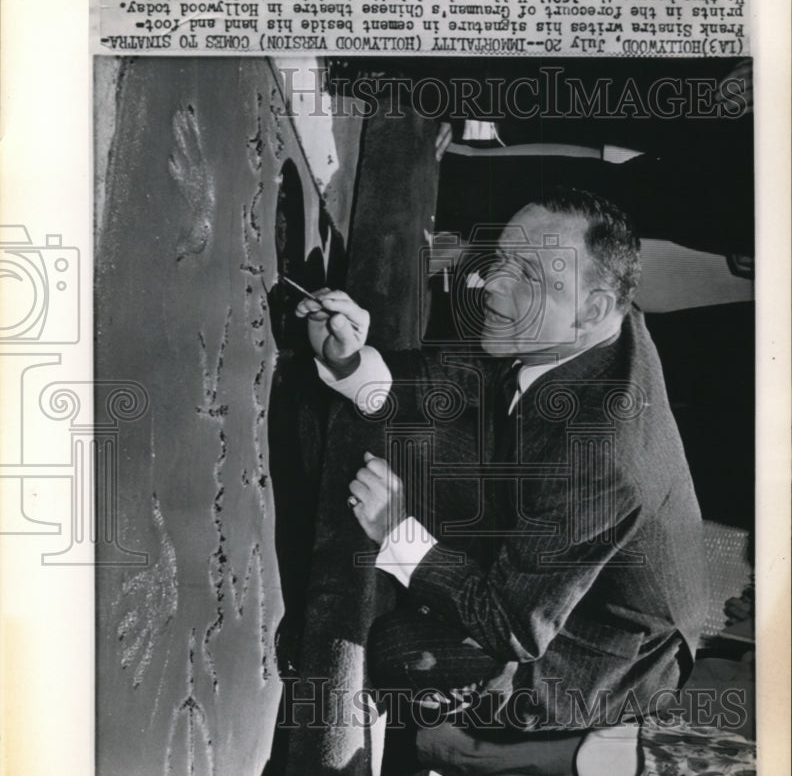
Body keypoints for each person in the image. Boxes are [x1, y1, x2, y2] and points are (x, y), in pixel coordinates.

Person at [295, 187, 709, 732]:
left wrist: (396, 532)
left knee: (399, 653)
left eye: (529, 277)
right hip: (562, 523)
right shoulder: (579, 322)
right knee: (416, 442)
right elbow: (461, 375)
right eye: (501, 259)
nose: (489, 283)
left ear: (594, 309)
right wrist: (350, 361)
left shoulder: (604, 455)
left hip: (594, 652)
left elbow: (513, 625)